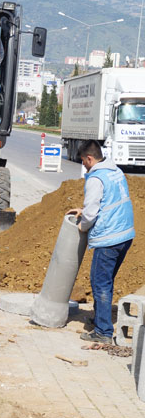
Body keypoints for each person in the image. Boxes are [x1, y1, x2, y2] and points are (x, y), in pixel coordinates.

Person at [69, 140, 135, 344]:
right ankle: (101, 319)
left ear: (89, 158)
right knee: (105, 281)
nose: (84, 166)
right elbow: (108, 200)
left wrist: (83, 225)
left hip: (109, 238)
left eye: (83, 162)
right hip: (125, 234)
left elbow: (91, 213)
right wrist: (85, 210)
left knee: (100, 284)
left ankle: (103, 332)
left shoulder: (96, 178)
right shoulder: (115, 171)